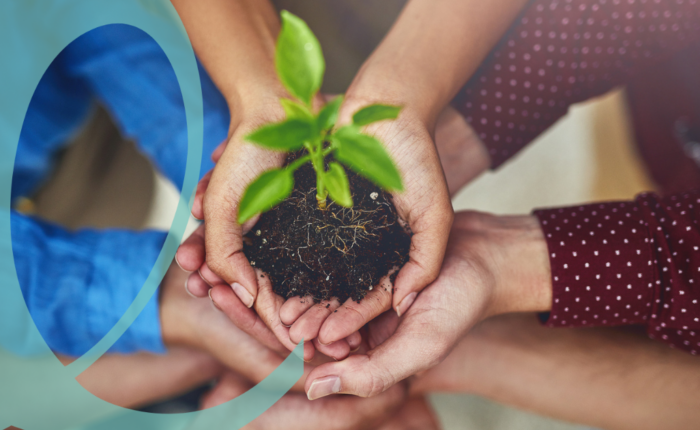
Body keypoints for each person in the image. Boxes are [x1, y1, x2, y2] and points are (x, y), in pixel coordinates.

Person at [177, 0, 700, 423]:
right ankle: (440, 358)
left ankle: (438, 359)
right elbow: (626, 11)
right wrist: (411, 113)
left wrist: (516, 263)